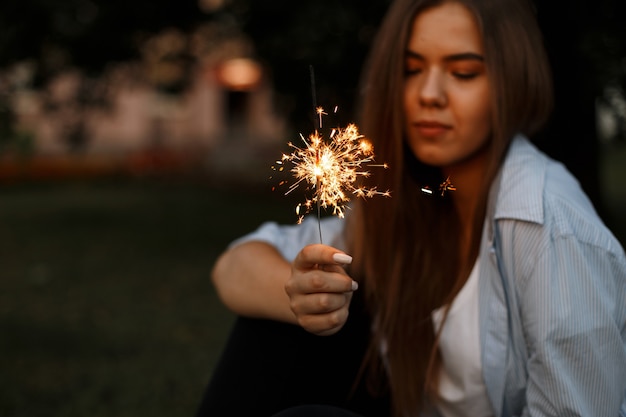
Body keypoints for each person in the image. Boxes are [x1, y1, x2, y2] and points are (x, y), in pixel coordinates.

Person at [196, 0, 626, 416]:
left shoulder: (547, 229)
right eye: (410, 69)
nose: (429, 94)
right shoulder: (413, 196)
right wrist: (303, 298)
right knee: (275, 324)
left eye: (463, 72)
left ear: (512, 80)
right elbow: (234, 266)